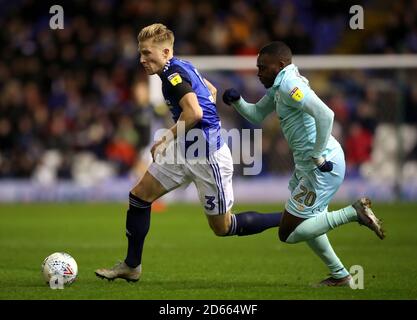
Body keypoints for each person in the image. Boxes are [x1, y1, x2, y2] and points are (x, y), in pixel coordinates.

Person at [95, 24, 281, 282]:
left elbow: (195, 112)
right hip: (184, 151)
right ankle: (131, 265)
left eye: (148, 53)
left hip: (207, 159)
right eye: (141, 53)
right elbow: (210, 89)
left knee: (223, 228)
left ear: (166, 52)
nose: (142, 59)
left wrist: (166, 137)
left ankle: (287, 218)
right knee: (139, 196)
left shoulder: (173, 76)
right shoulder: (181, 66)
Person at [222, 41, 385, 287]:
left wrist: (318, 155)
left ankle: (353, 213)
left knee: (287, 233)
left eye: (263, 67)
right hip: (311, 167)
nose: (258, 73)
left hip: (322, 166)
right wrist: (237, 102)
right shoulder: (279, 85)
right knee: (308, 221)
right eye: (258, 67)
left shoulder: (290, 85)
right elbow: (256, 114)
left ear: (280, 65)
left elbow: (326, 115)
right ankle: (340, 275)